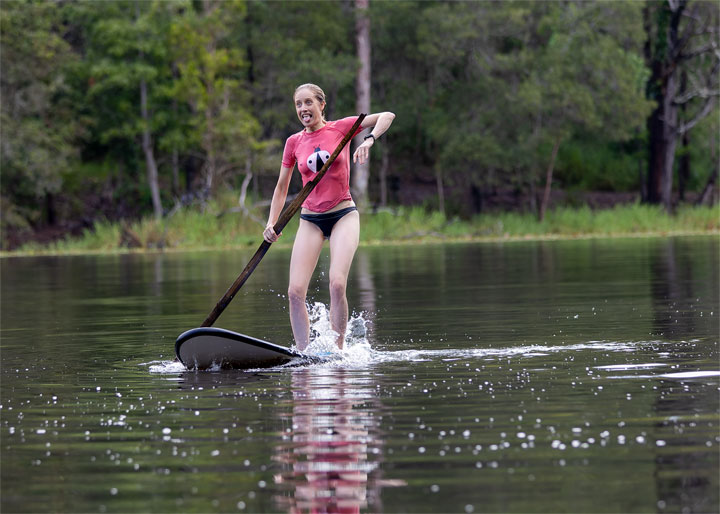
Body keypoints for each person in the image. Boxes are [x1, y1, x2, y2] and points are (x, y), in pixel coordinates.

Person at [263, 83, 395, 351]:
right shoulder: (293, 142)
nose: (303, 109)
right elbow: (281, 187)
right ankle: (303, 353)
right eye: (298, 104)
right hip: (310, 219)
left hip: (343, 214)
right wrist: (271, 223)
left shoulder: (342, 127)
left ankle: (337, 350)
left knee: (336, 283)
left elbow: (387, 116)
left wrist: (368, 139)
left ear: (321, 104)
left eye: (308, 102)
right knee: (294, 292)